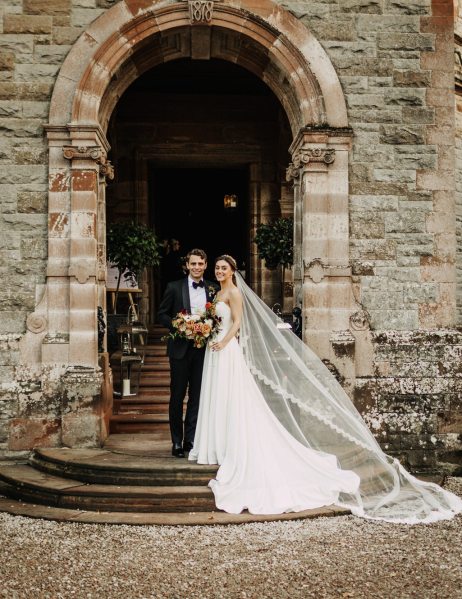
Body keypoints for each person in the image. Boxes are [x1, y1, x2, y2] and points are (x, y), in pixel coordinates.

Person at [189, 255, 462, 523]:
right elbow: (217, 320)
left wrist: (223, 342)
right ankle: (214, 444)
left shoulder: (234, 292)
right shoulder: (216, 292)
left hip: (225, 350)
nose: (219, 270)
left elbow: (237, 323)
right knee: (217, 397)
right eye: (218, 267)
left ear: (233, 271)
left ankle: (229, 444)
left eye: (224, 267)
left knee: (232, 398)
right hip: (215, 350)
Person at [157, 249, 218, 457]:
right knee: (177, 396)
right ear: (187, 265)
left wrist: (211, 327)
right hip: (180, 350)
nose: (197, 267)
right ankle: (176, 441)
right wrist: (178, 325)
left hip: (203, 350)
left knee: (197, 397)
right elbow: (162, 314)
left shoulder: (213, 288)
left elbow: (218, 317)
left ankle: (190, 440)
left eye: (200, 264)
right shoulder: (174, 287)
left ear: (206, 265)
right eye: (193, 264)